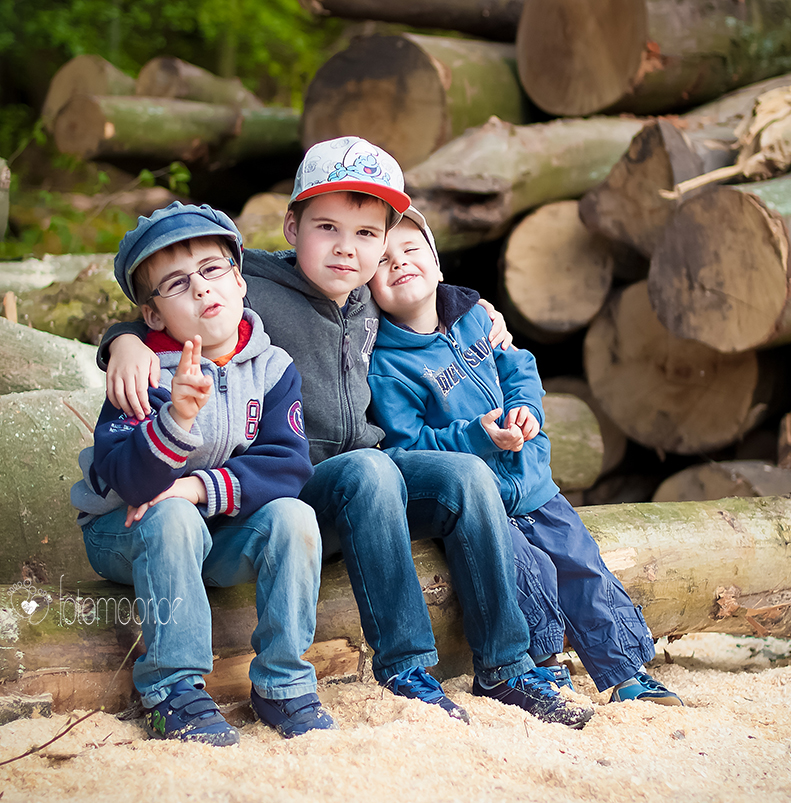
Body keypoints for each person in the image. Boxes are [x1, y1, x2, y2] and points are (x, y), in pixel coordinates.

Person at [99, 137, 593, 728]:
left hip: (370, 468)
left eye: (366, 236)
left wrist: (480, 312)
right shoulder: (251, 279)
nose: (345, 250)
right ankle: (406, 664)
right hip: (286, 482)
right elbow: (176, 294)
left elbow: (432, 297)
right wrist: (121, 341)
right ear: (291, 227)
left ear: (384, 243)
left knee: (464, 474)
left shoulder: (368, 293)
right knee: (369, 469)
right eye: (326, 228)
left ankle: (506, 666)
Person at [365, 206, 685, 707]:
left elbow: (519, 367)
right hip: (482, 505)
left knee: (583, 565)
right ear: (369, 284)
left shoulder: (475, 318)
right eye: (382, 260)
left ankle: (624, 670)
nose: (400, 263)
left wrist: (525, 408)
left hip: (532, 482)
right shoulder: (388, 364)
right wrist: (476, 436)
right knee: (528, 572)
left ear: (437, 262)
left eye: (411, 249)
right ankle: (543, 667)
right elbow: (408, 449)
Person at [72, 202, 336, 744]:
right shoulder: (142, 370)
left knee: (293, 516)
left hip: (211, 530)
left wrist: (197, 487)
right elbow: (130, 481)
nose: (200, 288)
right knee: (170, 514)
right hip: (125, 530)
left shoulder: (272, 367)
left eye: (213, 270)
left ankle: (283, 683)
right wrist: (176, 420)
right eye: (176, 283)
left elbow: (287, 465)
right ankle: (173, 688)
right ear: (152, 315)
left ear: (240, 281)